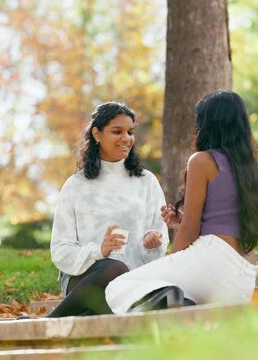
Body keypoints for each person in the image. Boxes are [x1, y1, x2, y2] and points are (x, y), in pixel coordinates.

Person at [105, 90, 258, 314]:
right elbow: (225, 219)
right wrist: (181, 224)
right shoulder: (252, 168)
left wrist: (172, 259)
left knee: (118, 286)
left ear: (208, 124)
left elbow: (192, 228)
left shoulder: (202, 160)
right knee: (170, 294)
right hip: (242, 279)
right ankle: (183, 306)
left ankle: (175, 305)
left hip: (211, 263)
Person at [44, 101, 169, 317]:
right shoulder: (76, 185)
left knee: (144, 290)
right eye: (117, 131)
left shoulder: (146, 181)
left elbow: (159, 234)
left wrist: (150, 243)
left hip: (133, 280)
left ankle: (79, 318)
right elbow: (60, 250)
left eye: (130, 132)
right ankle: (49, 322)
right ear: (97, 134)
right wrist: (98, 251)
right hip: (86, 277)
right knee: (114, 268)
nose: (126, 138)